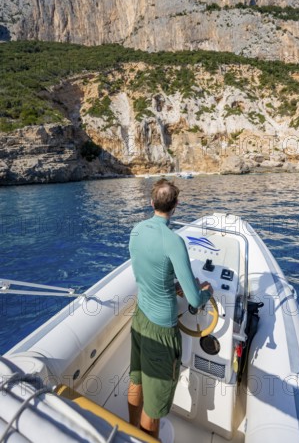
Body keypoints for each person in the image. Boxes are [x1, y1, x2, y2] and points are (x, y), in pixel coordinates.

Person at [128, 178, 213, 439]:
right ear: (175, 206)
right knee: (154, 409)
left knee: (137, 380)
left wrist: (172, 285)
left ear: (151, 202)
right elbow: (196, 301)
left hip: (140, 318)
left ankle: (131, 434)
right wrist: (206, 291)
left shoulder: (137, 230)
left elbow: (151, 272)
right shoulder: (174, 241)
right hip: (162, 332)